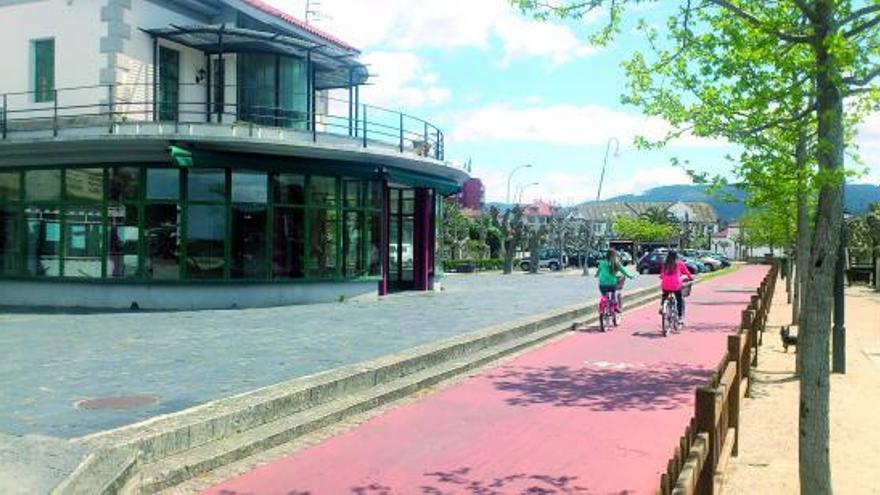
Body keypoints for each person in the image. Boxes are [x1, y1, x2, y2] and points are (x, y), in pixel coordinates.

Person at [659, 250, 694, 324]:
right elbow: (687, 272)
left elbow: (661, 275)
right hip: (676, 285)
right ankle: (680, 317)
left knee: (664, 295)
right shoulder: (679, 263)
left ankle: (662, 306)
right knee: (679, 299)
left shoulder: (665, 264)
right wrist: (690, 278)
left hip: (665, 285)